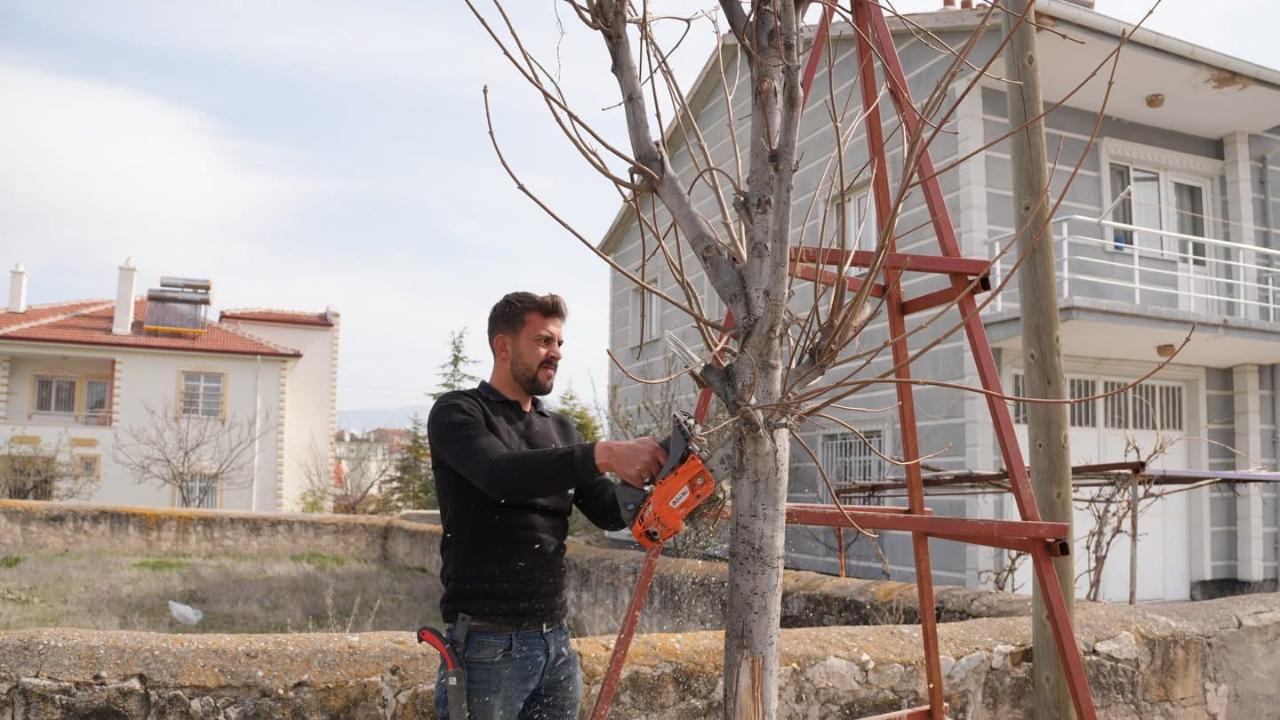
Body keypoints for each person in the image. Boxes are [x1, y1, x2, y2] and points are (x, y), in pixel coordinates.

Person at [427, 291, 667, 719]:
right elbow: (499, 474)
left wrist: (667, 482)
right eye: (542, 341)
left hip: (555, 642)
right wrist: (606, 453)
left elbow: (609, 510)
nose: (554, 353)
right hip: (486, 645)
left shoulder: (560, 429)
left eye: (558, 343)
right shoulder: (459, 412)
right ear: (503, 346)